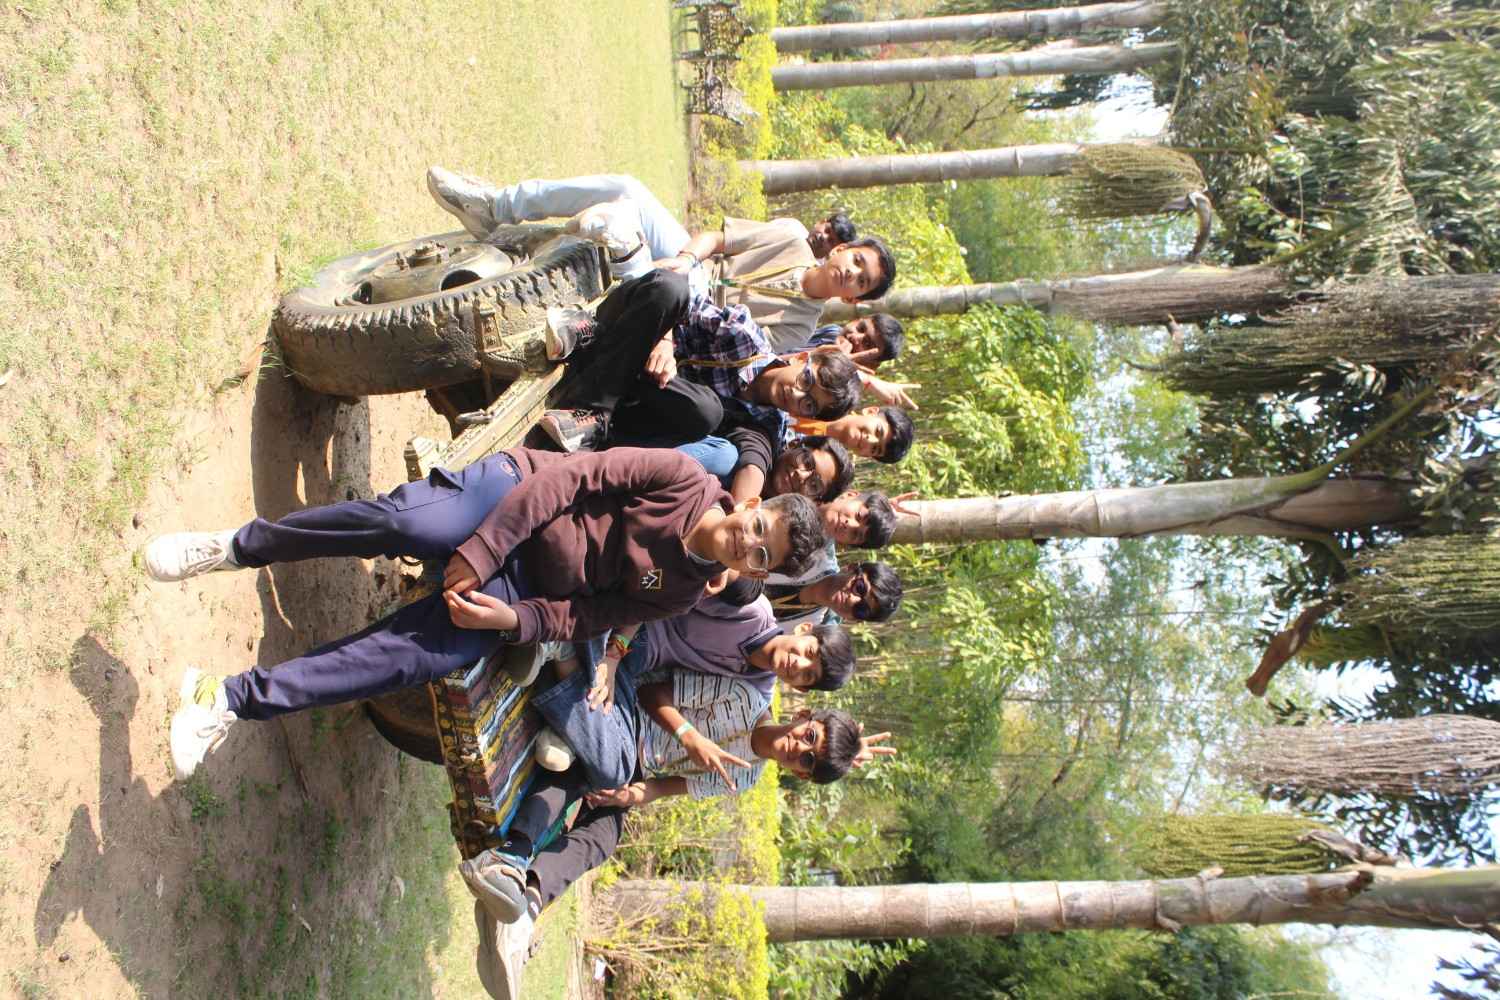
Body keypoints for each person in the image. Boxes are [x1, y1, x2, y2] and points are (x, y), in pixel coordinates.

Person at [144, 445, 829, 779]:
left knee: (418, 657)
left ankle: (228, 698)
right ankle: (237, 546)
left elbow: (585, 618)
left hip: (518, 586)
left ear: (756, 574)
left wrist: (513, 622)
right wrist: (482, 546)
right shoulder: (684, 480)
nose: (749, 544)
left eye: (761, 558)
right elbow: (570, 478)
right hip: (511, 497)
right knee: (407, 525)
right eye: (759, 528)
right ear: (753, 504)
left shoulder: (681, 591)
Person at [464, 663, 893, 999]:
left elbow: (668, 787)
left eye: (808, 761)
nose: (800, 748)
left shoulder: (748, 777)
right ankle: (511, 858)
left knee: (605, 836)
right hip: (624, 712)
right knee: (588, 773)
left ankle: (524, 909)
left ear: (800, 776)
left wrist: (631, 796)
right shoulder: (744, 698)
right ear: (803, 714)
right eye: (809, 737)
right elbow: (654, 693)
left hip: (634, 764)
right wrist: (690, 736)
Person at [536, 276, 862, 460]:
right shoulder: (743, 335)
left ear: (806, 416)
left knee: (707, 414)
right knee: (671, 290)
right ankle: (594, 397)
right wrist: (664, 342)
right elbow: (682, 299)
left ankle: (592, 349)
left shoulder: (765, 423)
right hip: (636, 331)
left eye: (808, 404)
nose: (796, 393)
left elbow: (759, 461)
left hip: (636, 394)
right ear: (804, 359)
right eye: (807, 380)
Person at [764, 561, 905, 629]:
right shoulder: (808, 554)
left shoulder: (808, 630)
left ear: (854, 620)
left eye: (861, 610)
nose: (853, 600)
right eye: (860, 588)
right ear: (852, 567)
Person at [792, 404, 915, 465]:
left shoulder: (819, 463)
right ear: (870, 411)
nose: (870, 440)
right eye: (878, 431)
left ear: (866, 455)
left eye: (875, 449)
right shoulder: (825, 398)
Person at [807, 315, 904, 369]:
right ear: (856, 320)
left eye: (867, 344)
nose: (854, 336)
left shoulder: (843, 389)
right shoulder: (832, 332)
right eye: (860, 328)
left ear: (871, 364)